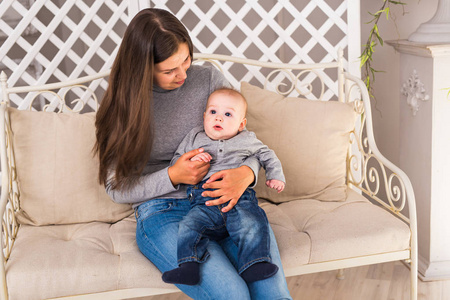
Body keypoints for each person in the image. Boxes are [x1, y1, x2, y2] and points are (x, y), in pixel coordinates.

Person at [95, 7, 292, 300]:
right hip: (164, 213)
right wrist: (173, 176)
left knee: (272, 292)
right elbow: (116, 187)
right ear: (143, 67)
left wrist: (246, 174)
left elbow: (244, 141)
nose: (183, 74)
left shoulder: (209, 79)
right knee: (232, 295)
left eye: (186, 60)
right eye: (169, 69)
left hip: (227, 202)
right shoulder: (123, 106)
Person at [162, 88, 285, 286]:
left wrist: (275, 175)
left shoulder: (246, 139)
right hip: (204, 201)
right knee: (188, 225)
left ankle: (254, 264)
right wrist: (192, 159)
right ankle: (188, 267)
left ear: (241, 124)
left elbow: (267, 155)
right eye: (213, 112)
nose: (218, 118)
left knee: (252, 222)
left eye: (228, 114)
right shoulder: (195, 137)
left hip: (239, 199)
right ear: (204, 116)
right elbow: (177, 162)